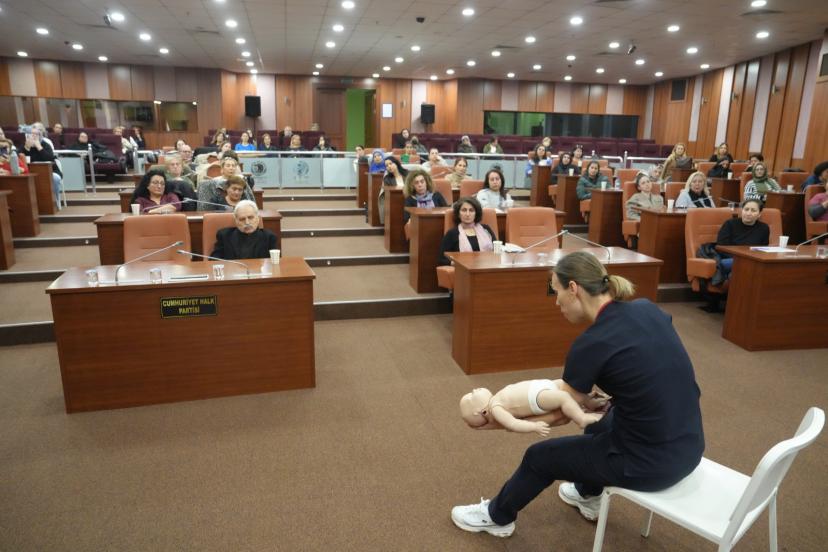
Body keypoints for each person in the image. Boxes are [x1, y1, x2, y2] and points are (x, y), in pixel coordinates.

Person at [451, 250, 705, 538]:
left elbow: (561, 415)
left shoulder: (591, 344)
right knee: (599, 419)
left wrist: (497, 419)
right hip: (690, 445)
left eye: (556, 291)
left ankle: (497, 517)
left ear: (573, 288)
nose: (556, 301)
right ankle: (587, 493)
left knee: (539, 457)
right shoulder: (647, 309)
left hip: (649, 465)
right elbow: (653, 372)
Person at [459, 379, 605, 434]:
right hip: (536, 399)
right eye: (471, 397)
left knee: (567, 386)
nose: (473, 390)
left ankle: (589, 402)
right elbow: (513, 424)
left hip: (543, 387)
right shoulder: (495, 408)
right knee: (563, 398)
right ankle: (581, 418)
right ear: (481, 411)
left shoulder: (496, 398)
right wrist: (533, 427)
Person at [715, 198, 770, 281]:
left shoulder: (764, 228)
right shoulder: (730, 224)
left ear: (759, 214)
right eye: (746, 209)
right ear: (742, 210)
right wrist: (743, 258)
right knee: (738, 265)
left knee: (738, 273)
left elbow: (763, 249)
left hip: (753, 260)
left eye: (753, 210)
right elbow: (721, 247)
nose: (748, 213)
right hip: (731, 259)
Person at [211, 200, 278, 260]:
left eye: (250, 217)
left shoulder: (269, 237)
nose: (247, 222)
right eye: (242, 219)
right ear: (236, 221)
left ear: (258, 218)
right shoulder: (224, 236)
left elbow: (275, 262)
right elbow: (214, 261)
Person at [438, 197, 496, 265]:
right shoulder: (452, 234)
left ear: (476, 213)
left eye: (471, 210)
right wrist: (457, 264)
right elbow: (442, 259)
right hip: (463, 269)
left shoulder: (486, 229)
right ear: (458, 214)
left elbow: (497, 249)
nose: (467, 214)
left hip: (487, 267)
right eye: (464, 210)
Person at [23, 126, 63, 210]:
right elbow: (23, 160)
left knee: (55, 178)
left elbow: (50, 159)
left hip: (51, 171)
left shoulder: (45, 145)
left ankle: (55, 202)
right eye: (32, 134)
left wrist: (39, 148)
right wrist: (27, 149)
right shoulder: (25, 146)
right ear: (27, 135)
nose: (34, 136)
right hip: (31, 173)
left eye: (36, 134)